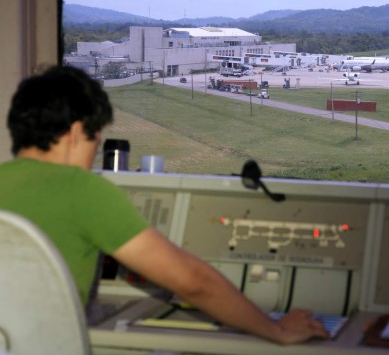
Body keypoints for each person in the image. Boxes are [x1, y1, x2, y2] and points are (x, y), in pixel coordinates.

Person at [0, 65, 329, 345]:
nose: (95, 150)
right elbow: (193, 283)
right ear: (74, 133)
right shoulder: (83, 191)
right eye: (95, 138)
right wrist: (275, 328)